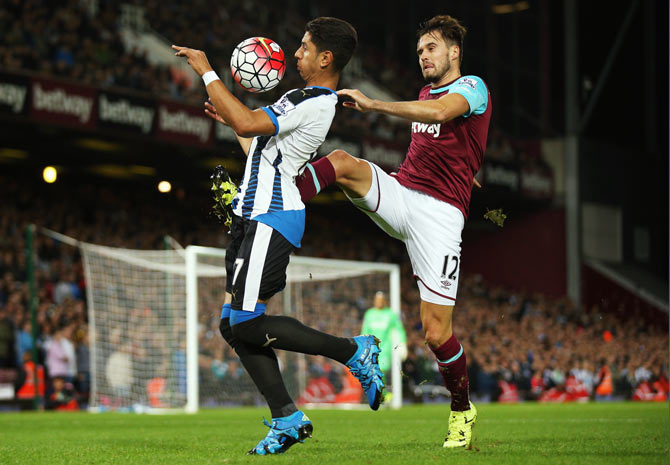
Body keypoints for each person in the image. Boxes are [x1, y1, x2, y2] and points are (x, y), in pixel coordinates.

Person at [173, 17, 384, 456]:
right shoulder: (301, 98)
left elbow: (251, 125)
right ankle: (287, 416)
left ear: (326, 58)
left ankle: (352, 351)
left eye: (305, 48)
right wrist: (232, 119)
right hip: (249, 215)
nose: (296, 54)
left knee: (247, 321)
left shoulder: (313, 99)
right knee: (232, 325)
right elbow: (256, 145)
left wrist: (207, 71)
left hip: (272, 214)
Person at [295, 14, 491, 448]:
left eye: (432, 48)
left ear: (454, 52)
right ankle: (281, 199)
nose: (424, 56)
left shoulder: (473, 87)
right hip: (404, 193)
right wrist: (466, 165)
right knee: (343, 163)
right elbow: (442, 136)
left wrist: (375, 104)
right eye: (420, 50)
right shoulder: (424, 93)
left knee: (436, 333)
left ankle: (462, 409)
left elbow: (443, 113)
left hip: (440, 218)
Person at [361, 291, 407, 380]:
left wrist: (402, 343)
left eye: (381, 300)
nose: (379, 302)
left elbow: (399, 329)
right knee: (372, 373)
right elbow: (365, 331)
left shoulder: (390, 314)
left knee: (381, 370)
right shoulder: (369, 314)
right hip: (371, 349)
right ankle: (380, 392)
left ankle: (382, 392)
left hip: (385, 349)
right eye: (377, 300)